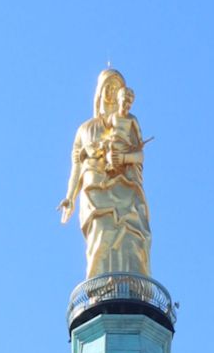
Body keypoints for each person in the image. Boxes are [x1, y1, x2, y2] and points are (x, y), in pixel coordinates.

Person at [58, 69, 152, 278]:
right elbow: (77, 165)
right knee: (100, 235)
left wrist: (124, 159)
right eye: (107, 87)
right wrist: (70, 196)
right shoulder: (85, 129)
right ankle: (100, 287)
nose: (111, 92)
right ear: (99, 92)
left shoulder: (129, 121)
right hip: (95, 190)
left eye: (116, 87)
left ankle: (135, 284)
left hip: (127, 188)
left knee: (133, 237)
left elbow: (139, 155)